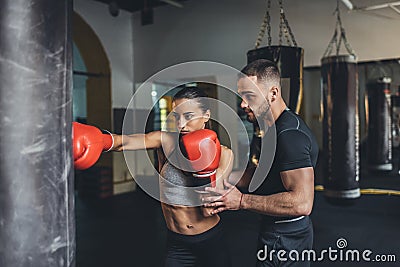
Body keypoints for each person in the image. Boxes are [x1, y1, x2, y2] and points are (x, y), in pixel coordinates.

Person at [73, 87, 234, 267]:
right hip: (177, 242)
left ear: (206, 115)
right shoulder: (165, 142)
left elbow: (208, 209)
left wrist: (204, 171)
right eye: (176, 116)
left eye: (188, 116)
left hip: (209, 240)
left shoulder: (225, 155)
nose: (181, 124)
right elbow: (124, 142)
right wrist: (100, 140)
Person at [203, 59, 319, 267]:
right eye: (242, 96)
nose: (242, 104)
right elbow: (264, 174)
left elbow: (302, 203)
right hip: (282, 232)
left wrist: (241, 201)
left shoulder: (288, 135)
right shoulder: (274, 128)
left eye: (249, 96)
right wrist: (219, 174)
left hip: (284, 238)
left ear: (273, 94)